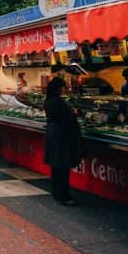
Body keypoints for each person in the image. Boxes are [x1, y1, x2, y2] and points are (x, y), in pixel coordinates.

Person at [43, 76, 80, 206]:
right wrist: (74, 113)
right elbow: (66, 119)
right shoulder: (58, 101)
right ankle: (64, 196)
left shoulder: (48, 100)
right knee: (63, 167)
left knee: (56, 167)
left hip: (52, 134)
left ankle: (57, 194)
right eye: (64, 87)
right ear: (59, 88)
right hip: (61, 136)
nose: (64, 89)